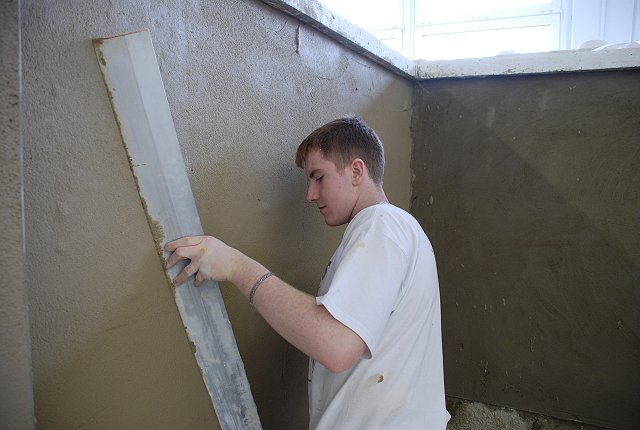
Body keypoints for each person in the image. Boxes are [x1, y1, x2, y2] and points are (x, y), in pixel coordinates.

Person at [164, 116, 450, 429]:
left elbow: (336, 345)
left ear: (356, 171)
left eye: (318, 177)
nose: (310, 194)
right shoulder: (395, 229)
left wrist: (235, 265)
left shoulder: (382, 224)